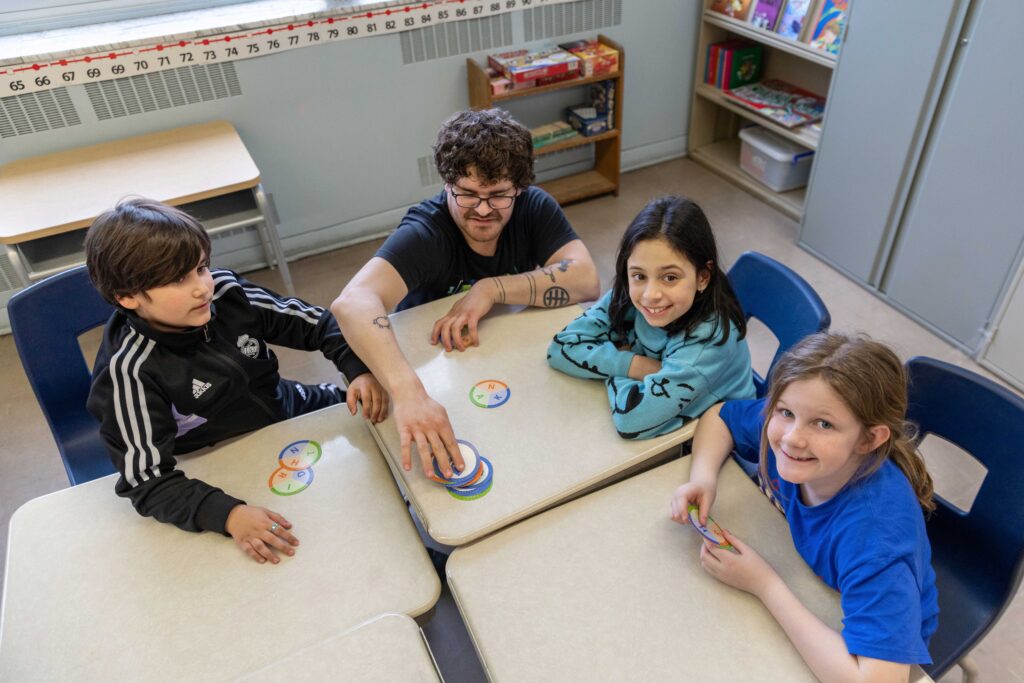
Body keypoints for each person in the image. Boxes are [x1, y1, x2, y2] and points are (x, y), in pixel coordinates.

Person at [85, 198, 388, 565]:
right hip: (219, 457)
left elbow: (322, 326)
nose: (201, 288)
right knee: (308, 545)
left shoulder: (228, 294)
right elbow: (147, 482)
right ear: (127, 297)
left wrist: (359, 370)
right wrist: (228, 515)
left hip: (290, 406)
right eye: (178, 280)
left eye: (200, 268)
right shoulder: (128, 372)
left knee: (379, 425)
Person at [332, 108, 600, 477]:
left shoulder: (533, 207)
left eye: (498, 195)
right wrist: (409, 393)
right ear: (447, 184)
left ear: (519, 188)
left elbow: (586, 278)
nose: (484, 210)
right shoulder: (428, 231)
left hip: (501, 357)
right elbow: (351, 302)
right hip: (433, 367)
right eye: (468, 194)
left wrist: (492, 289)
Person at [670, 332, 938, 682]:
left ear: (869, 439)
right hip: (818, 584)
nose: (792, 438)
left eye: (823, 424)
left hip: (883, 636)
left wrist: (765, 585)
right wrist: (703, 478)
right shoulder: (789, 434)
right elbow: (720, 417)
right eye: (785, 411)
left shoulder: (876, 541)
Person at [547, 195, 754, 439]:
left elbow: (631, 420)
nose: (650, 295)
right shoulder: (628, 295)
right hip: (673, 430)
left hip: (724, 447)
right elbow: (560, 349)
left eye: (670, 278)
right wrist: (636, 365)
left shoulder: (707, 342)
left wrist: (616, 358)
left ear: (702, 277)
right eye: (639, 275)